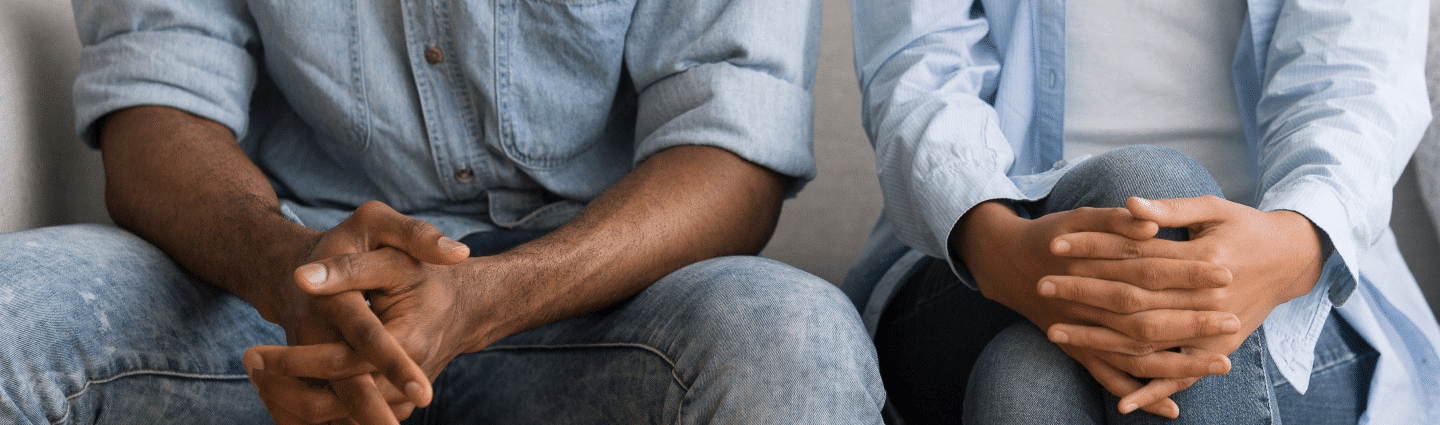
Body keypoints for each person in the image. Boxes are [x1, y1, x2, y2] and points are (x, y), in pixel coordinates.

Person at [0, 0, 887, 423]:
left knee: (795, 338)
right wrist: (292, 269)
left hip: (599, 300)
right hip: (276, 293)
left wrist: (485, 297)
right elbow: (157, 108)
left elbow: (729, 153)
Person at [843, 0, 1440, 423]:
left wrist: (1292, 246)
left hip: (1284, 279)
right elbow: (916, 64)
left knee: (1026, 381)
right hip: (979, 256)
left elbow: (1358, 74)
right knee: (1152, 188)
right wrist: (998, 247)